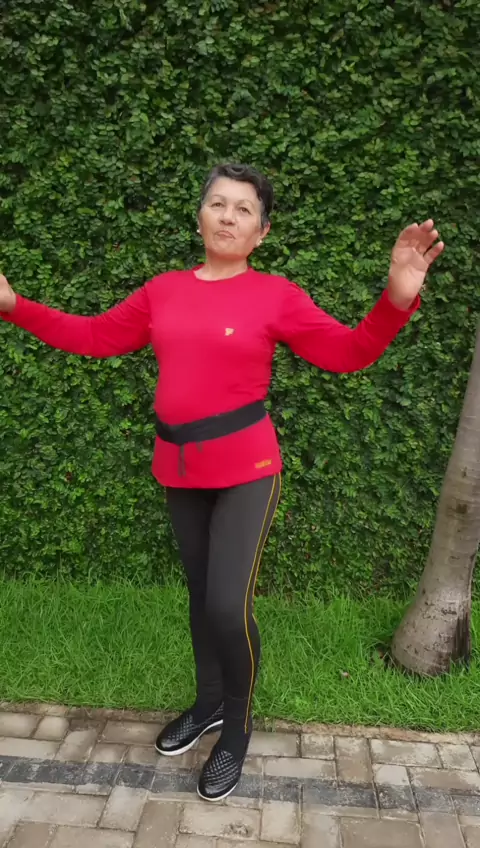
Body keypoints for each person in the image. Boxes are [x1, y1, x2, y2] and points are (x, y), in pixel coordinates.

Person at [0, 163, 444, 802]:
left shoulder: (276, 296)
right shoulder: (162, 291)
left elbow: (348, 353)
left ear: (262, 232)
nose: (228, 216)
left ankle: (236, 727)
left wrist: (396, 298)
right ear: (200, 217)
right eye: (218, 203)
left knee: (225, 607)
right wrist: (15, 307)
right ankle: (208, 702)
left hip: (247, 471)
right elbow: (96, 337)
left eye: (243, 209)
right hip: (179, 470)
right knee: (200, 596)